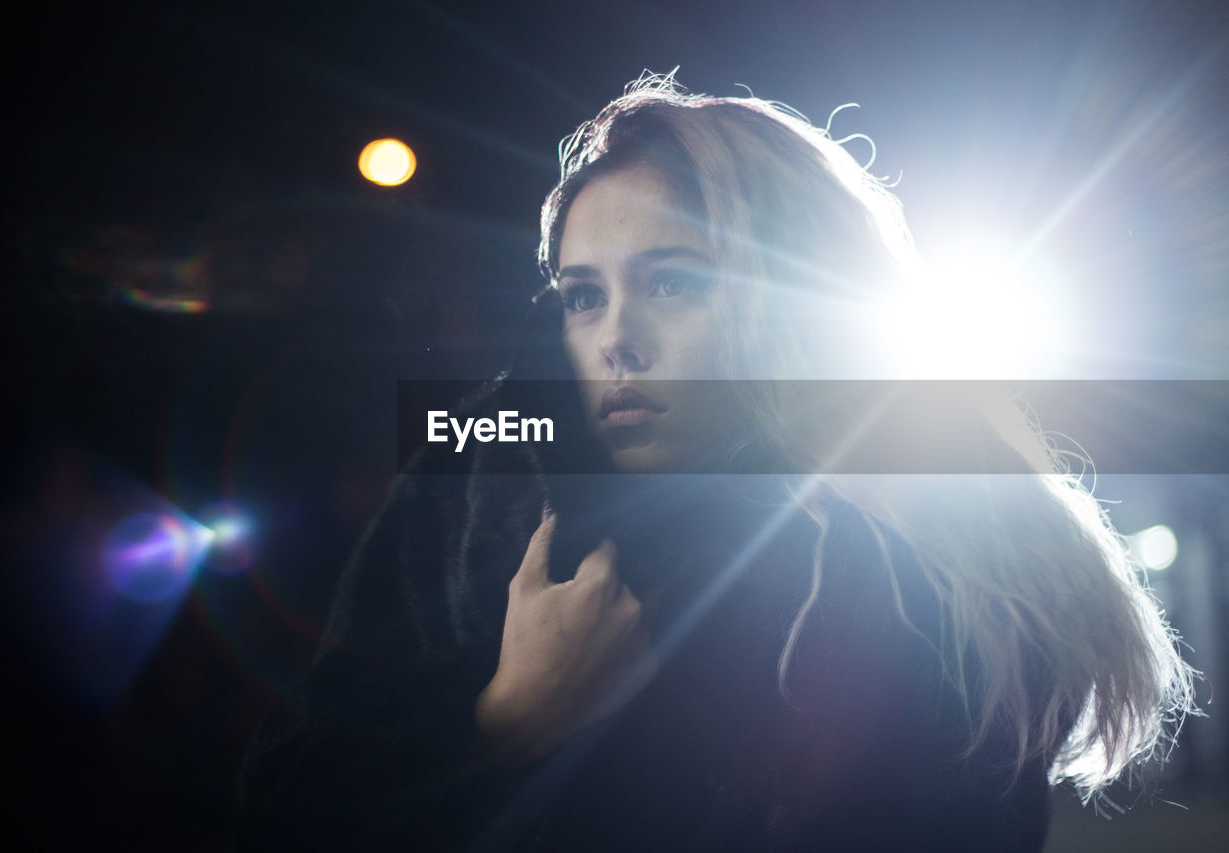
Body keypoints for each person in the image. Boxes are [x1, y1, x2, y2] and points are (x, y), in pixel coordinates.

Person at [237, 74, 1196, 851]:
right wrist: (498, 725)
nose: (618, 337)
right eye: (582, 296)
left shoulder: (936, 550)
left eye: (672, 282)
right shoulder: (479, 482)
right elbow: (284, 803)